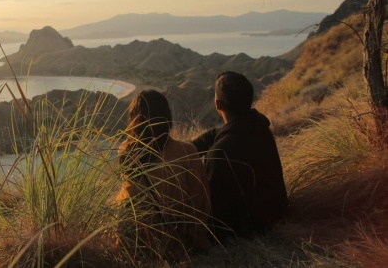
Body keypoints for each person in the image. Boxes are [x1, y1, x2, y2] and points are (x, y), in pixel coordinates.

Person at [192, 71, 288, 242]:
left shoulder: (218, 155)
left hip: (245, 233)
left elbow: (212, 215)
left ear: (217, 104)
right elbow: (222, 133)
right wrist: (188, 148)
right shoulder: (261, 130)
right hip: (275, 216)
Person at [115, 89, 211, 260]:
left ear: (135, 120)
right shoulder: (187, 152)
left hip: (132, 243)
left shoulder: (125, 150)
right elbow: (199, 204)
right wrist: (198, 242)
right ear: (167, 118)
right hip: (172, 245)